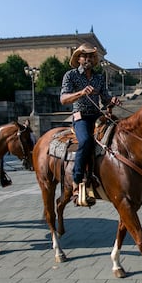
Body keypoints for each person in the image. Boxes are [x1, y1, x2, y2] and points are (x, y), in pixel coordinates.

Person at [60, 43, 120, 205]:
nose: (88, 59)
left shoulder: (99, 77)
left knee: (117, 135)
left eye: (91, 56)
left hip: (97, 115)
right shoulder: (70, 75)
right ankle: (76, 179)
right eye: (84, 56)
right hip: (81, 117)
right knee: (86, 141)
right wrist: (80, 93)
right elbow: (64, 99)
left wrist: (111, 100)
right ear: (78, 58)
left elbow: (105, 97)